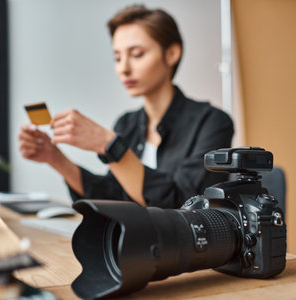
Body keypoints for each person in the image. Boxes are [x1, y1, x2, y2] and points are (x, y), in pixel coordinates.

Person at [18, 5, 234, 209]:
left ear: (171, 54)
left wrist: (108, 145)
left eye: (137, 54)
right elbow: (112, 198)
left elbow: (186, 204)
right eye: (117, 57)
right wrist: (55, 158)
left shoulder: (213, 122)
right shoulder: (127, 123)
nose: (123, 68)